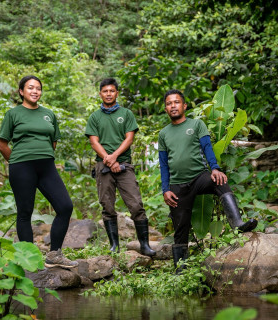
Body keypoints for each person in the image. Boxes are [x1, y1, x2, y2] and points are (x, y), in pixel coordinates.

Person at [158, 89, 258, 273]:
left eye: (176, 102)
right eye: (169, 103)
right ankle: (180, 270)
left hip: (199, 177)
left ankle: (237, 222)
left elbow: (207, 148)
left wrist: (215, 168)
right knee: (181, 227)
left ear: (184, 106)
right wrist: (165, 189)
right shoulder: (163, 134)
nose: (173, 106)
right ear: (166, 108)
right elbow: (163, 164)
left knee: (219, 181)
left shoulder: (196, 125)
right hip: (178, 185)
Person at [0, 75, 78, 269]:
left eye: (38, 88)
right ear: (21, 91)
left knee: (65, 206)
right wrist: (17, 161)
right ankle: (28, 259)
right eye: (31, 88)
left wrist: (42, 154)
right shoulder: (13, 114)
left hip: (46, 167)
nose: (35, 91)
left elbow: (53, 142)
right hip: (21, 166)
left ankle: (54, 255)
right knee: (25, 212)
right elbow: (2, 144)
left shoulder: (48, 114)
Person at [85, 78, 156, 257]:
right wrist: (108, 160)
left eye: (111, 91)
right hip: (103, 165)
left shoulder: (126, 114)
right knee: (107, 206)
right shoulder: (94, 117)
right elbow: (94, 142)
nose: (108, 94)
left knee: (136, 204)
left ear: (117, 93)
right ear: (100, 93)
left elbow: (129, 138)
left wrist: (115, 157)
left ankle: (144, 245)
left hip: (124, 164)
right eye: (105, 91)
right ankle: (114, 246)